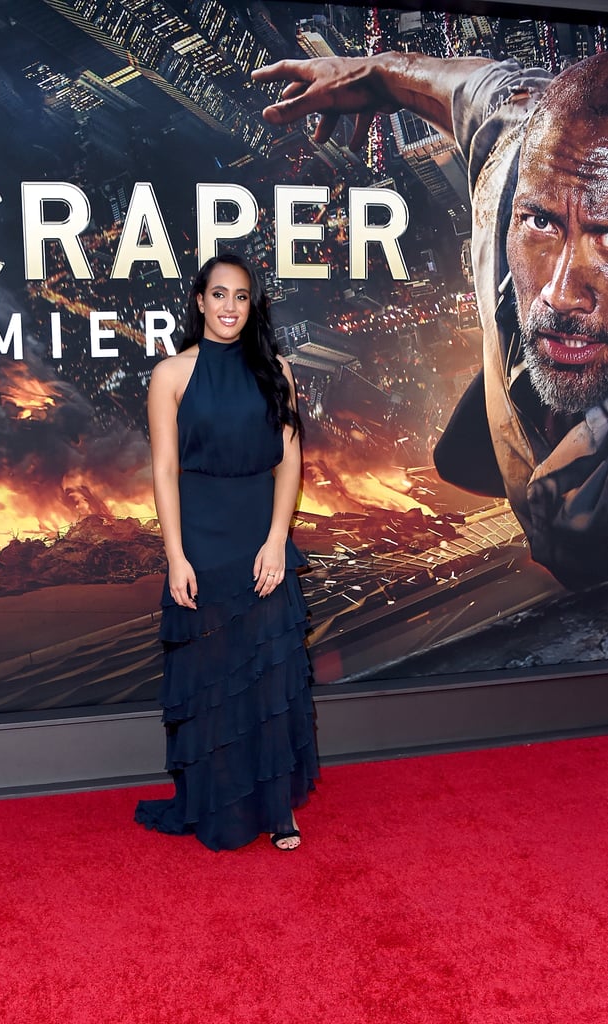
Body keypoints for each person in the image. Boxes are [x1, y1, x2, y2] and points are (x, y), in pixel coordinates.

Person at [252, 51, 608, 591]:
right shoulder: (520, 162)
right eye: (541, 222)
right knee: (460, 455)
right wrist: (375, 74)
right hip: (521, 426)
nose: (559, 294)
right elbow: (480, 91)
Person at [135, 253, 318, 851]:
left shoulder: (277, 370)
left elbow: (289, 460)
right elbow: (164, 470)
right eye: (219, 295)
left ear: (252, 304)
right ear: (199, 301)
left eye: (241, 296)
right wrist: (175, 555)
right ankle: (219, 803)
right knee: (215, 681)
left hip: (259, 541)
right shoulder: (171, 375)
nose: (229, 307)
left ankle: (278, 811)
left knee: (270, 678)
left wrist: (275, 540)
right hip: (202, 545)